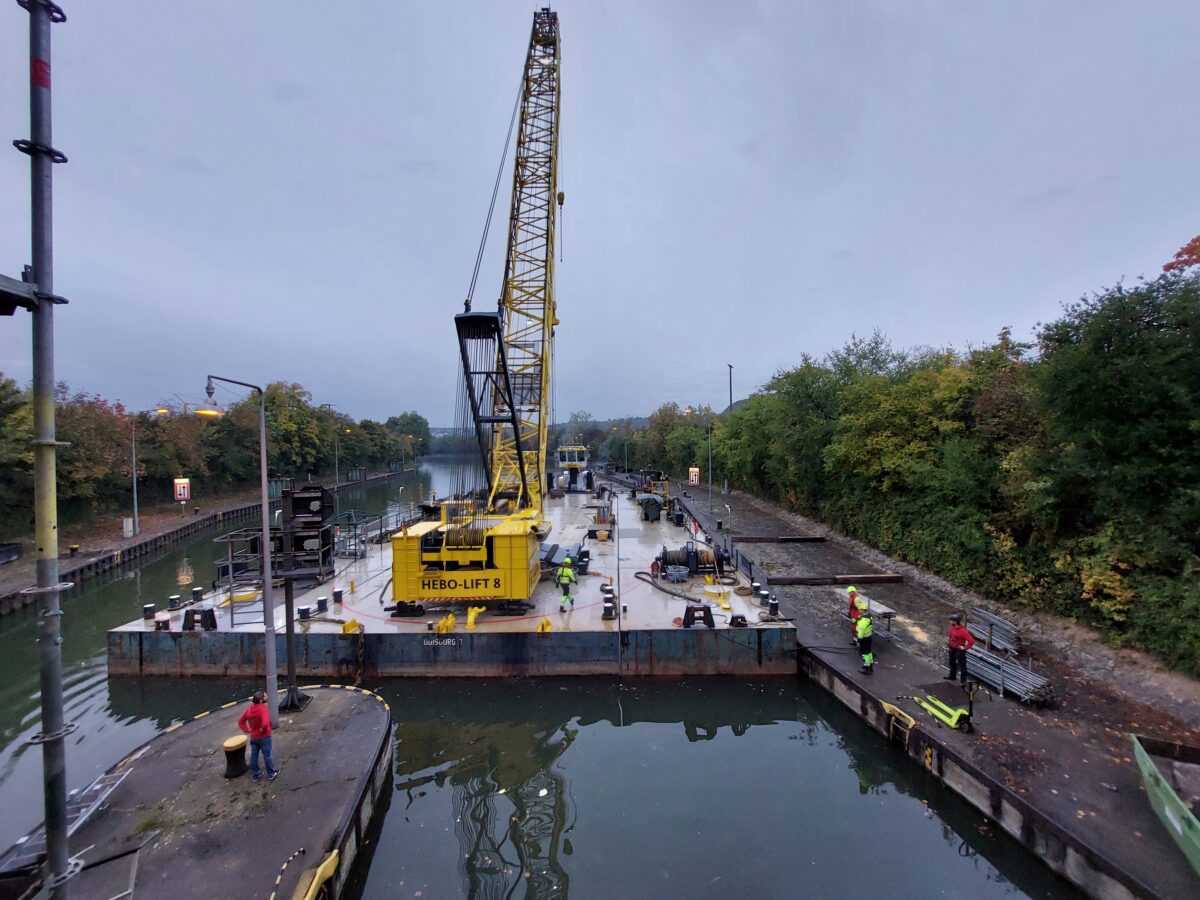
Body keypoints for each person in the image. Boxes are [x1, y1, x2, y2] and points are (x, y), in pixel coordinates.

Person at [238, 691, 279, 782]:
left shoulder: (249, 709)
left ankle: (256, 774)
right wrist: (262, 730)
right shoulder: (262, 709)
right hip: (264, 736)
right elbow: (265, 723)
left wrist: (248, 731)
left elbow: (241, 721)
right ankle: (271, 773)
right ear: (261, 700)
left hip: (254, 736)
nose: (266, 697)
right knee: (267, 755)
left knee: (254, 754)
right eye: (265, 696)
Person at [946, 613, 975, 683]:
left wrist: (965, 648)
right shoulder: (952, 627)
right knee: (952, 662)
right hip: (952, 648)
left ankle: (963, 682)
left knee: (962, 666)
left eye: (951, 620)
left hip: (959, 650)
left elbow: (971, 641)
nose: (949, 621)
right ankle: (952, 676)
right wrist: (949, 640)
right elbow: (950, 634)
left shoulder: (963, 631)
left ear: (955, 621)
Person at [855, 598, 874, 675]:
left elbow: (861, 632)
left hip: (864, 639)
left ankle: (868, 668)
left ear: (863, 610)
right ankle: (870, 664)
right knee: (869, 651)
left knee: (864, 653)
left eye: (860, 609)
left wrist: (858, 640)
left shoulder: (863, 621)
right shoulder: (869, 617)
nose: (858, 610)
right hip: (869, 637)